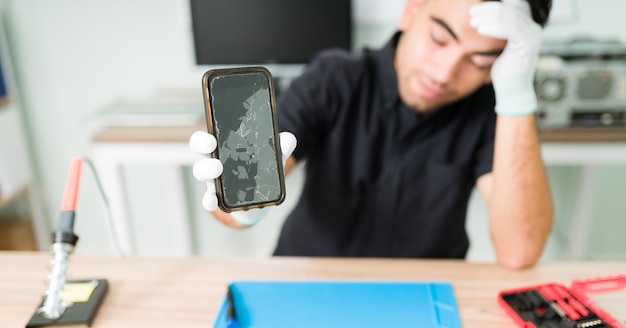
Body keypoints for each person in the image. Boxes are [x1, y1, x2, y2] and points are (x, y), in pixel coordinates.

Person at [190, 0, 554, 269]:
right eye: (440, 39)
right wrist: (244, 207)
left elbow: (519, 251)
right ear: (412, 10)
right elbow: (239, 200)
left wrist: (518, 97)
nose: (445, 73)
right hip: (307, 275)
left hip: (424, 291)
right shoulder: (333, 78)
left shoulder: (494, 109)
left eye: (480, 61)